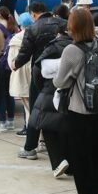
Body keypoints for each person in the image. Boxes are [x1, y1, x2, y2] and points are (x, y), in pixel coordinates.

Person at [53, 8, 98, 194]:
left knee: (81, 154)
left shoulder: (72, 50)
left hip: (81, 110)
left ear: (72, 27)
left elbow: (60, 82)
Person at [15, 1, 66, 159]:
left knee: (36, 112)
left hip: (41, 75)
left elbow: (25, 53)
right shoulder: (64, 23)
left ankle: (30, 148)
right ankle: (64, 147)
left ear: (33, 14)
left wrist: (15, 64)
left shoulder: (33, 28)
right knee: (63, 110)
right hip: (64, 73)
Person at [30, 21, 74, 177]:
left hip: (49, 91)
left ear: (58, 33)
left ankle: (58, 162)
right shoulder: (77, 46)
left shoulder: (52, 47)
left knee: (47, 126)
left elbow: (37, 70)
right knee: (66, 128)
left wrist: (42, 87)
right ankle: (70, 165)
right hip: (71, 92)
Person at [0, 7, 17, 132]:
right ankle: (11, 121)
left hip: (1, 64)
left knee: (0, 93)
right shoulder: (15, 27)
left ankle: (2, 122)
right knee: (10, 93)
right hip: (11, 64)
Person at [8, 12, 33, 135]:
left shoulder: (15, 39)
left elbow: (10, 61)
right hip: (33, 74)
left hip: (19, 75)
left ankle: (32, 132)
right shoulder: (35, 35)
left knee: (27, 106)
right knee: (33, 106)